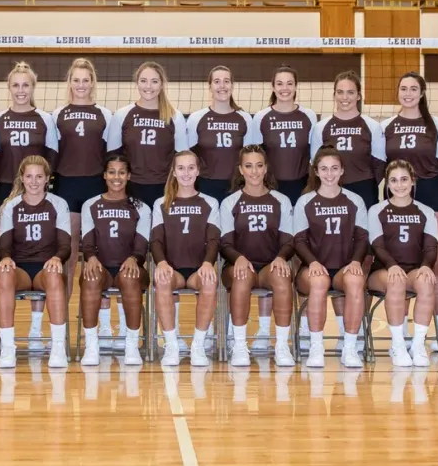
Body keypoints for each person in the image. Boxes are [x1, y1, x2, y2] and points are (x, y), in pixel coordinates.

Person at [381, 72, 438, 350]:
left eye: (413, 89)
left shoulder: (437, 125)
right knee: (403, 262)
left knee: (437, 265)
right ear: (397, 92)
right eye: (403, 88)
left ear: (422, 93)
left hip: (432, 193)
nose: (408, 93)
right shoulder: (385, 125)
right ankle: (409, 333)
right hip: (397, 195)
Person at [0, 61, 60, 348]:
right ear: (9, 88)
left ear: (33, 87)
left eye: (26, 85)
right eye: (16, 85)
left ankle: (35, 331)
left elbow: (52, 158)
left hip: (36, 189)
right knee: (4, 256)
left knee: (41, 251)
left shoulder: (45, 119)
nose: (21, 90)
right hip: (6, 190)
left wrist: (41, 186)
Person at [293, 147, 370, 369]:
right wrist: (313, 262)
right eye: (324, 169)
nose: (329, 174)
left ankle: (350, 347)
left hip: (344, 267)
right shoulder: (305, 201)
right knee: (319, 281)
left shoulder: (354, 200)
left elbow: (363, 238)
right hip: (313, 268)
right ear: (316, 171)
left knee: (355, 281)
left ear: (342, 170)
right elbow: (299, 240)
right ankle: (316, 348)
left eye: (334, 168)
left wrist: (355, 261)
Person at [220, 145, 296, 367]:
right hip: (238, 266)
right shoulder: (230, 202)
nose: (254, 171)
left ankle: (282, 347)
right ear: (241, 170)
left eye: (259, 166)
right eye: (249, 166)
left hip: (269, 266)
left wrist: (281, 257)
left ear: (266, 169)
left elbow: (288, 241)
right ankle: (240, 346)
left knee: (282, 278)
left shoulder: (280, 201)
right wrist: (238, 258)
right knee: (242, 277)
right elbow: (224, 243)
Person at [0, 156, 72, 369]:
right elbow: (4, 245)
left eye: (39, 176)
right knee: (3, 275)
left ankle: (57, 348)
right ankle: (8, 349)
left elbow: (65, 245)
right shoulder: (12, 205)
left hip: (45, 268)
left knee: (55, 276)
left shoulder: (58, 203)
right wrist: (6, 258)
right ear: (21, 178)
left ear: (47, 178)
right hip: (20, 268)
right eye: (29, 176)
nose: (34, 181)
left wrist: (57, 258)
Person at [79, 154, 153, 366]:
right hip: (101, 267)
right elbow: (88, 240)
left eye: (121, 172)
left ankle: (131, 345)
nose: (116, 177)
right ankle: (92, 346)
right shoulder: (90, 204)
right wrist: (91, 257)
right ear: (104, 175)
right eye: (112, 172)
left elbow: (141, 244)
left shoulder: (140, 207)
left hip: (129, 266)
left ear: (129, 176)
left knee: (130, 278)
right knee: (91, 278)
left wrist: (134, 258)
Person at [151, 151, 221, 367]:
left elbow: (213, 240)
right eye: (181, 168)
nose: (186, 172)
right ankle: (171, 345)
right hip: (173, 269)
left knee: (209, 281)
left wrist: (208, 262)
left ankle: (198, 346)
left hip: (198, 269)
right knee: (162, 281)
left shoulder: (209, 202)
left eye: (191, 167)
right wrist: (161, 262)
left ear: (198, 171)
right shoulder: (161, 203)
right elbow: (156, 240)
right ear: (173, 171)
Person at [367, 160, 438, 368]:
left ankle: (417, 346)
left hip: (413, 270)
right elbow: (377, 246)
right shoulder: (377, 210)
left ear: (413, 181)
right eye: (394, 180)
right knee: (396, 282)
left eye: (404, 179)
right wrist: (391, 265)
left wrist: (427, 265)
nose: (399, 185)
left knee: (426, 281)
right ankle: (398, 345)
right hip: (382, 271)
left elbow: (431, 246)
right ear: (387, 185)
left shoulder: (425, 211)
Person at [52, 58, 113, 306]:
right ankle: (62, 319)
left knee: (100, 251)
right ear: (69, 83)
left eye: (85, 80)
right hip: (66, 186)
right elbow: (52, 153)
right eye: (76, 80)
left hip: (95, 186)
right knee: (69, 252)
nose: (80, 85)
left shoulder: (105, 114)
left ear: (92, 83)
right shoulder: (57, 114)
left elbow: (111, 154)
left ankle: (103, 318)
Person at [107, 61, 188, 208]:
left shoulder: (175, 116)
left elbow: (181, 158)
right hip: (132, 186)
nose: (148, 86)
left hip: (165, 187)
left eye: (154, 81)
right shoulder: (122, 114)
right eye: (143, 81)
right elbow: (113, 156)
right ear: (137, 83)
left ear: (162, 84)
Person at [310, 71, 386, 210]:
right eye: (340, 92)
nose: (345, 97)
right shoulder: (321, 127)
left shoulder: (372, 126)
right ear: (334, 95)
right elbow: (316, 163)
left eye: (350, 92)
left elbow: (380, 164)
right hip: (331, 188)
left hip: (364, 190)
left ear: (358, 96)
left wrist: (365, 183)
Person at [186, 65, 254, 202]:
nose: (222, 85)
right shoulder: (196, 118)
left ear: (232, 85)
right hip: (205, 185)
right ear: (209, 86)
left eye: (226, 81)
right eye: (217, 81)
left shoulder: (245, 118)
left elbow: (249, 157)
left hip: (236, 185)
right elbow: (189, 156)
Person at [251, 66, 317, 205]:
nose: (284, 88)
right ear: (273, 87)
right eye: (279, 84)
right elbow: (254, 156)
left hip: (302, 186)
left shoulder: (309, 116)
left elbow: (314, 155)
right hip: (270, 186)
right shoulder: (261, 117)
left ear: (295, 86)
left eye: (289, 83)